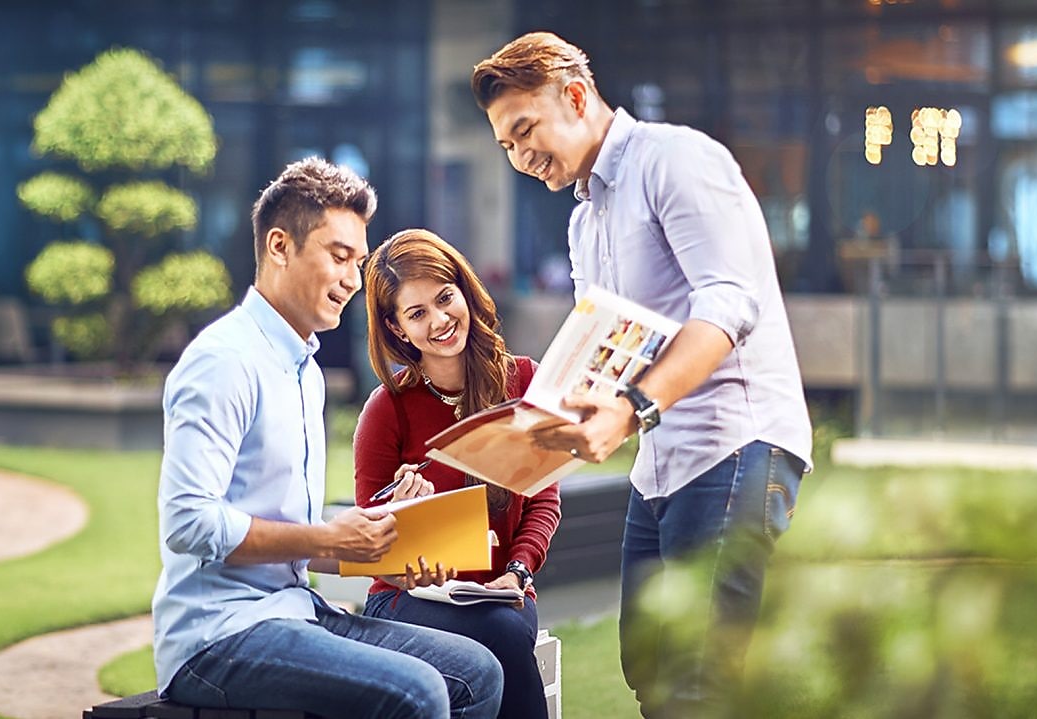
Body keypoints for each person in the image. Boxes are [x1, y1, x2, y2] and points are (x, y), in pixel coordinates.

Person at [472, 33, 814, 718]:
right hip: (660, 465)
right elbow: (601, 352)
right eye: (506, 145)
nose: (519, 156)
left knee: (697, 677)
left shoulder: (676, 161)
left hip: (736, 443)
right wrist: (540, 428)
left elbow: (728, 302)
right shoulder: (584, 222)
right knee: (649, 666)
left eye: (526, 130)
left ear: (575, 94)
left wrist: (629, 410)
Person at [151, 158, 503, 719]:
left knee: (476, 673)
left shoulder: (304, 371)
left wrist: (387, 554)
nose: (352, 280)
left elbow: (301, 542)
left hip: (294, 609)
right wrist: (327, 540)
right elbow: (188, 523)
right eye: (339, 257)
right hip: (216, 636)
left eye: (357, 262)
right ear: (279, 247)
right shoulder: (224, 362)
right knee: (419, 692)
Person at [354, 228, 561, 719]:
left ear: (464, 291)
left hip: (502, 592)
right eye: (417, 313)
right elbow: (366, 544)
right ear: (399, 329)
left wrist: (518, 571)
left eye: (445, 298)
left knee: (504, 628)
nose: (441, 320)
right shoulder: (387, 411)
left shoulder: (524, 383)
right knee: (502, 637)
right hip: (407, 600)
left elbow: (544, 499)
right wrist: (400, 518)